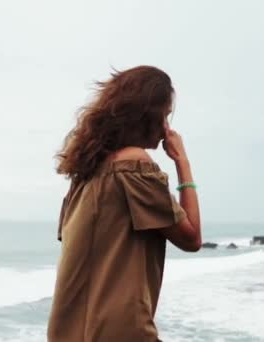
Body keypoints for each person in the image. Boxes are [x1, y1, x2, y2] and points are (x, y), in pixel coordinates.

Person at [47, 65, 201, 342]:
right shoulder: (134, 164)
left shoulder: (84, 174)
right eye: (165, 115)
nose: (167, 127)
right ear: (148, 115)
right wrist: (182, 162)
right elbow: (191, 238)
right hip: (121, 331)